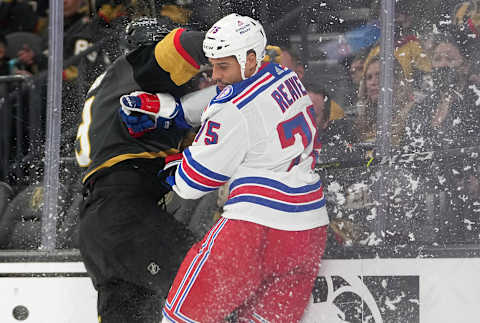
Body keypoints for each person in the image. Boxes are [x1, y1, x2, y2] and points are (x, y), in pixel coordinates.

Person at [161, 13, 328, 323]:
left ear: (250, 58)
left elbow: (192, 182)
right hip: (308, 231)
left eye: (223, 65)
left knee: (182, 319)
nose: (215, 75)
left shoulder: (231, 109)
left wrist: (168, 164)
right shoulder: (287, 78)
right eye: (212, 65)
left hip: (253, 230)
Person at [75, 18, 217, 323]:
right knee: (212, 286)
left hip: (99, 224)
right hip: (126, 215)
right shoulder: (142, 66)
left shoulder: (112, 85)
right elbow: (185, 45)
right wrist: (241, 51)